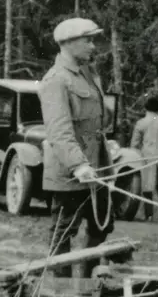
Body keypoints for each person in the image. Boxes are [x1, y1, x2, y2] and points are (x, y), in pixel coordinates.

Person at [39, 17, 114, 278]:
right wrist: (78, 164)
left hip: (98, 171)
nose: (93, 46)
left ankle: (91, 285)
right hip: (71, 174)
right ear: (68, 43)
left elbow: (100, 120)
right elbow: (59, 132)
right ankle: (59, 291)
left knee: (101, 228)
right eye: (88, 40)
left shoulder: (88, 75)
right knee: (63, 235)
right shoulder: (55, 80)